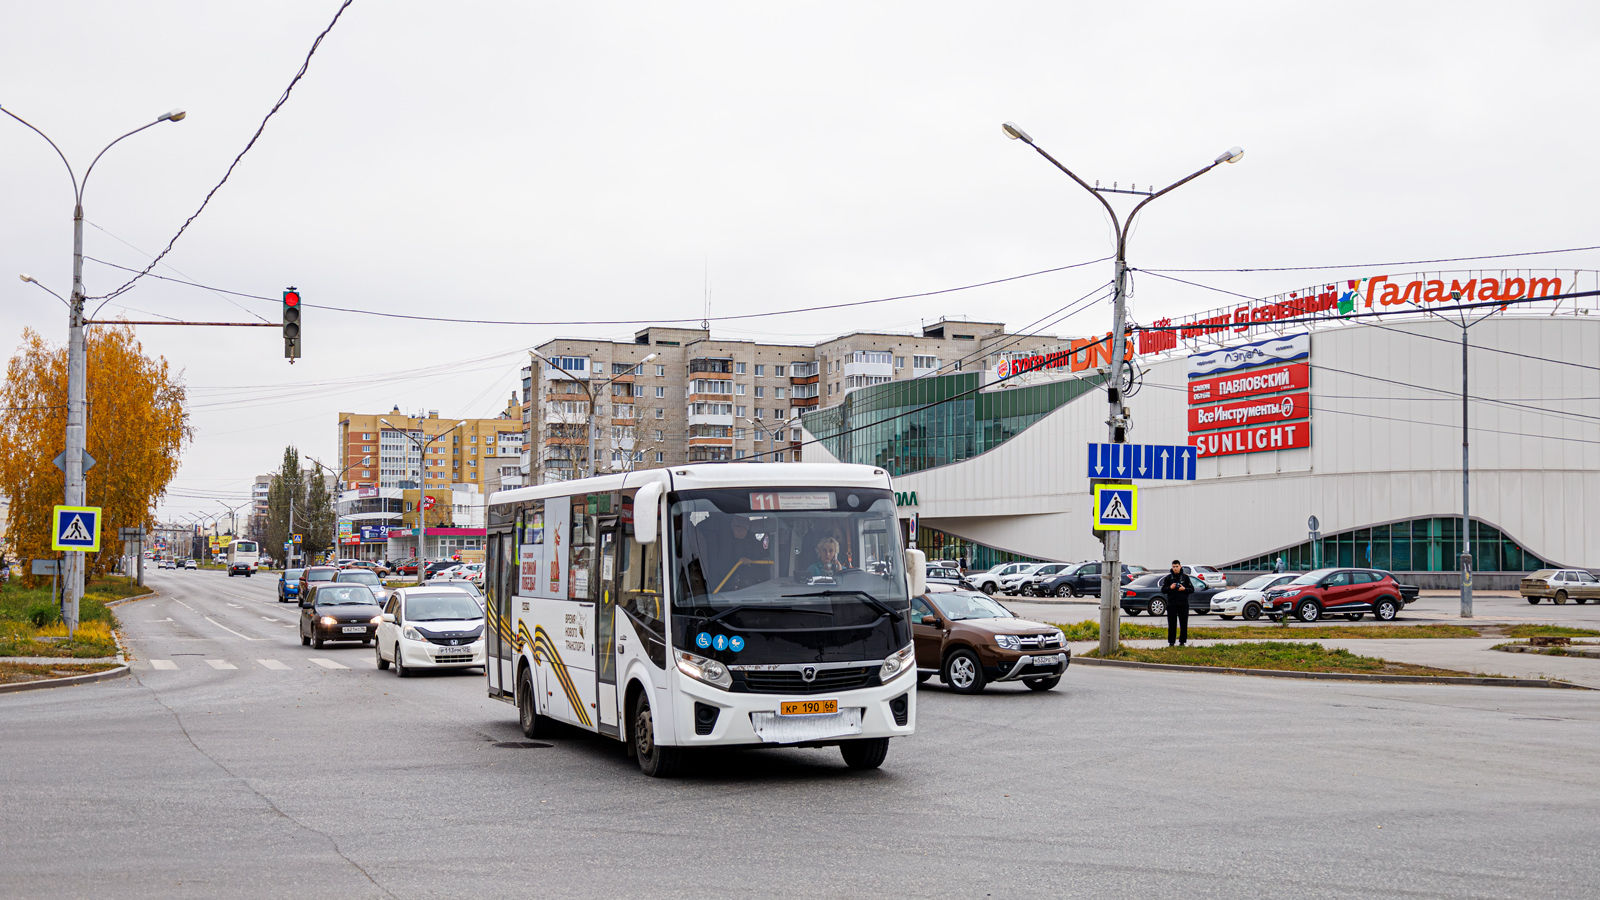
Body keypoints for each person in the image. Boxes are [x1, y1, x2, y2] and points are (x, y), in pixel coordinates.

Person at [1159, 559, 1197, 647]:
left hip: (1183, 604)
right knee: (1172, 623)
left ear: (1180, 567)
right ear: (1172, 567)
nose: (1175, 568)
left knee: (1183, 623)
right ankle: (1171, 642)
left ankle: (1182, 642)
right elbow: (1163, 590)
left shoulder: (1185, 577)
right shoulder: (1168, 578)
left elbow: (1192, 590)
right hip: (1172, 604)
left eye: (1176, 566)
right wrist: (1170, 587)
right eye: (1173, 567)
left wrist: (1184, 589)